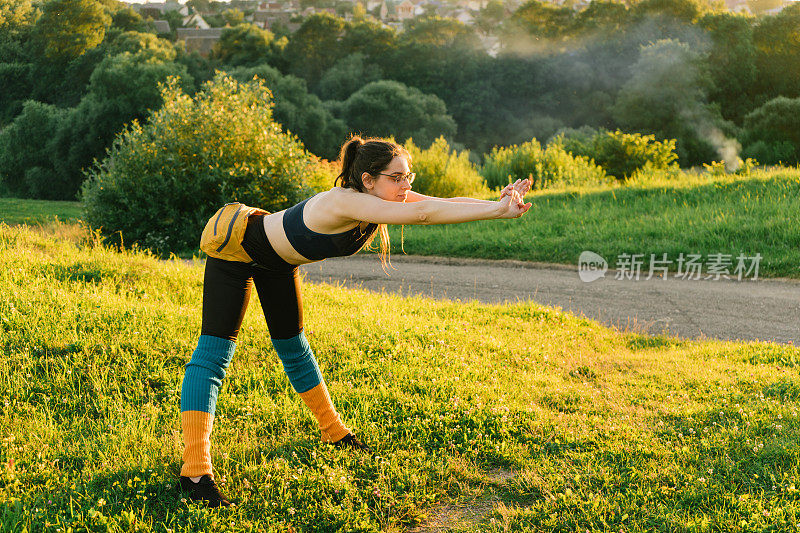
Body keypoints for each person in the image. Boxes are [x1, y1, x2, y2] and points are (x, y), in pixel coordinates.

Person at [176, 136, 532, 508]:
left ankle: (334, 432)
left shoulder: (385, 198)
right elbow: (425, 215)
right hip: (236, 248)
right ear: (367, 179)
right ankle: (196, 471)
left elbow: (438, 204)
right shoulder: (343, 200)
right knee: (214, 355)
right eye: (397, 178)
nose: (406, 185)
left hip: (278, 263)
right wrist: (496, 212)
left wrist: (499, 203)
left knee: (294, 348)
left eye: (407, 176)